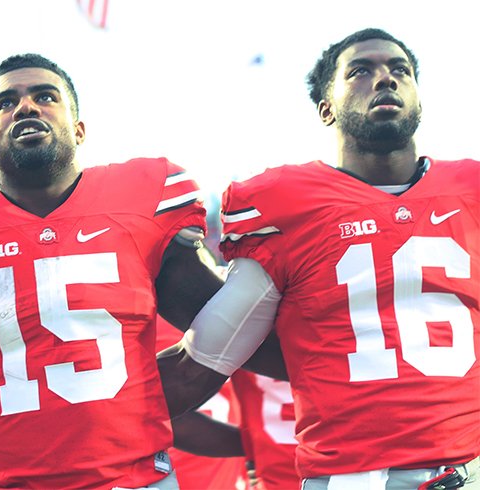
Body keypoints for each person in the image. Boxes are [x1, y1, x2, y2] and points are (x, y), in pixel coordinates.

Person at [0, 53, 229, 489]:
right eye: (4, 103)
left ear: (79, 128)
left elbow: (227, 322)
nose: (26, 107)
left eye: (45, 96)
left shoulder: (147, 197)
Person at [173, 28, 479, 489]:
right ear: (326, 107)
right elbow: (201, 359)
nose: (386, 80)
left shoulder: (470, 190)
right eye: (360, 71)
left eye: (401, 70)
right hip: (349, 478)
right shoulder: (289, 207)